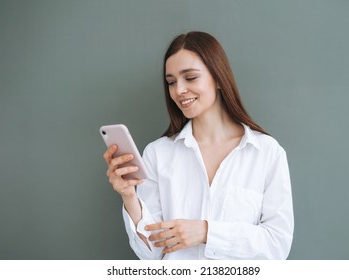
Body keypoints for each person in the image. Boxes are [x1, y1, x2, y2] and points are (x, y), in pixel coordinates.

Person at [103, 31, 294, 259]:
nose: (179, 90)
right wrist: (129, 197)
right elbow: (153, 254)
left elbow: (277, 246)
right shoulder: (157, 154)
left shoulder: (266, 152)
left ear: (219, 78)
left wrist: (206, 231)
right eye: (171, 82)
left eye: (190, 78)